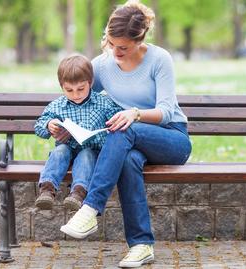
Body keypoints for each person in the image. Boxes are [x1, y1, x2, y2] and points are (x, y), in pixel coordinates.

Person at [60, 1, 192, 267]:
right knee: (129, 159)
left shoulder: (159, 59)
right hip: (130, 142)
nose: (115, 51)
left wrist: (135, 113)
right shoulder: (103, 65)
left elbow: (166, 111)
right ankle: (142, 245)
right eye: (111, 44)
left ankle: (91, 208)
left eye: (123, 47)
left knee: (124, 128)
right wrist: (61, 124)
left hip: (171, 139)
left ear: (139, 38)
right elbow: (78, 97)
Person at [34, 55, 122, 211]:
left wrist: (113, 123)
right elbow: (39, 126)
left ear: (90, 82)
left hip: (92, 150)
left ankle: (78, 193)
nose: (76, 94)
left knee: (86, 154)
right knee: (60, 150)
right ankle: (47, 190)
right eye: (69, 90)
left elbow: (118, 118)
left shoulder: (103, 102)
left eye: (81, 89)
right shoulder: (57, 105)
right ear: (62, 86)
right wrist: (49, 125)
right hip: (67, 150)